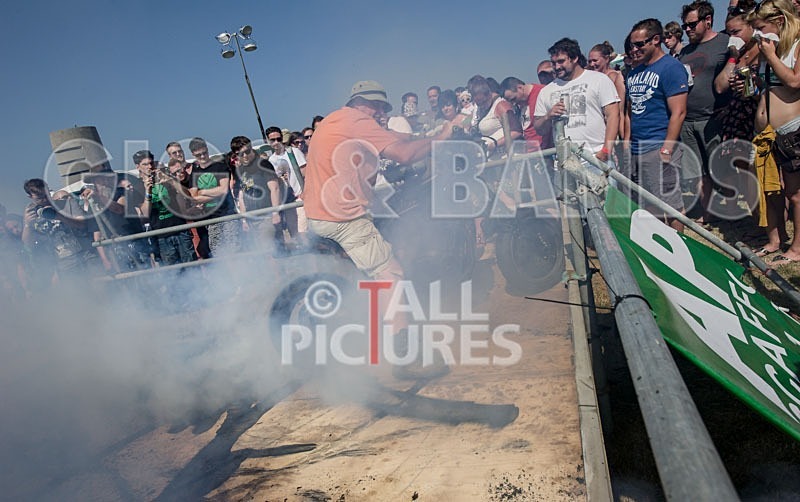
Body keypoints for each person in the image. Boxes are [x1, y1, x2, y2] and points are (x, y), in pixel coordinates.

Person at [303, 80, 454, 380]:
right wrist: (443, 137)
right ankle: (405, 356)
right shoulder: (357, 120)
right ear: (365, 104)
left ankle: (373, 315)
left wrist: (425, 134)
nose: (383, 113)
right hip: (343, 218)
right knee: (390, 275)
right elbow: (404, 154)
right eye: (380, 108)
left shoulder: (337, 119)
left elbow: (395, 136)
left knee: (386, 237)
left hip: (321, 212)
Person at [625, 18, 690, 231]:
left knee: (670, 205)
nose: (634, 49)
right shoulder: (634, 72)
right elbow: (629, 111)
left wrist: (667, 148)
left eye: (639, 44)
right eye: (632, 45)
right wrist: (626, 142)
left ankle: (681, 250)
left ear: (655, 40)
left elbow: (679, 112)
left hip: (659, 145)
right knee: (650, 206)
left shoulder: (671, 68)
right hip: (637, 148)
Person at [752, 0, 800, 263]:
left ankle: (796, 248)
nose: (757, 34)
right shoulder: (773, 47)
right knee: (771, 188)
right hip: (768, 132)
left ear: (779, 21)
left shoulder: (796, 44)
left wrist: (770, 56)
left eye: (761, 27)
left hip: (793, 131)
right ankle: (775, 240)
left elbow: (794, 81)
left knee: (795, 194)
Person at [678, 0, 732, 222]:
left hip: (714, 118)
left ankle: (736, 213)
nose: (688, 30)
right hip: (688, 120)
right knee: (698, 171)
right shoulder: (685, 51)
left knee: (722, 170)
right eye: (685, 27)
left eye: (691, 25)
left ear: (707, 20)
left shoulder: (725, 42)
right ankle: (708, 214)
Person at [534, 38, 620, 169]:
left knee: (606, 190)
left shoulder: (598, 79)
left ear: (574, 58)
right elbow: (539, 129)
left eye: (561, 61)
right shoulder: (546, 91)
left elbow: (613, 115)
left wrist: (606, 150)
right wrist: (548, 116)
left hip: (596, 159)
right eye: (553, 63)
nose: (557, 67)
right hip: (564, 165)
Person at [186, 138, 241, 257]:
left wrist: (203, 191)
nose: (202, 156)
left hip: (228, 215)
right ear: (193, 154)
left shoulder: (219, 167)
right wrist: (214, 193)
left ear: (207, 149)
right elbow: (194, 198)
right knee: (218, 253)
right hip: (211, 220)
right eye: (198, 154)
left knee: (234, 250)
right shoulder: (195, 174)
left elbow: (223, 190)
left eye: (204, 153)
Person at [232, 135, 285, 252]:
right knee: (260, 254)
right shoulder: (240, 170)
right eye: (241, 154)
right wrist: (244, 219)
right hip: (252, 219)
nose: (245, 156)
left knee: (269, 251)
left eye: (247, 151)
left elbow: (275, 188)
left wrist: (276, 213)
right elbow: (242, 196)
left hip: (266, 216)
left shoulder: (263, 164)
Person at [468, 75, 523, 158]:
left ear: (488, 94)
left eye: (483, 102)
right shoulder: (479, 110)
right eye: (478, 103)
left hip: (510, 156)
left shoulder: (501, 106)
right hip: (494, 157)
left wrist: (494, 144)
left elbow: (517, 131)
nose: (481, 105)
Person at [587, 41, 627, 143]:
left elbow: (619, 109)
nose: (592, 64)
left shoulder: (613, 77)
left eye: (595, 60)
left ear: (606, 59)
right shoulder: (590, 78)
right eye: (590, 61)